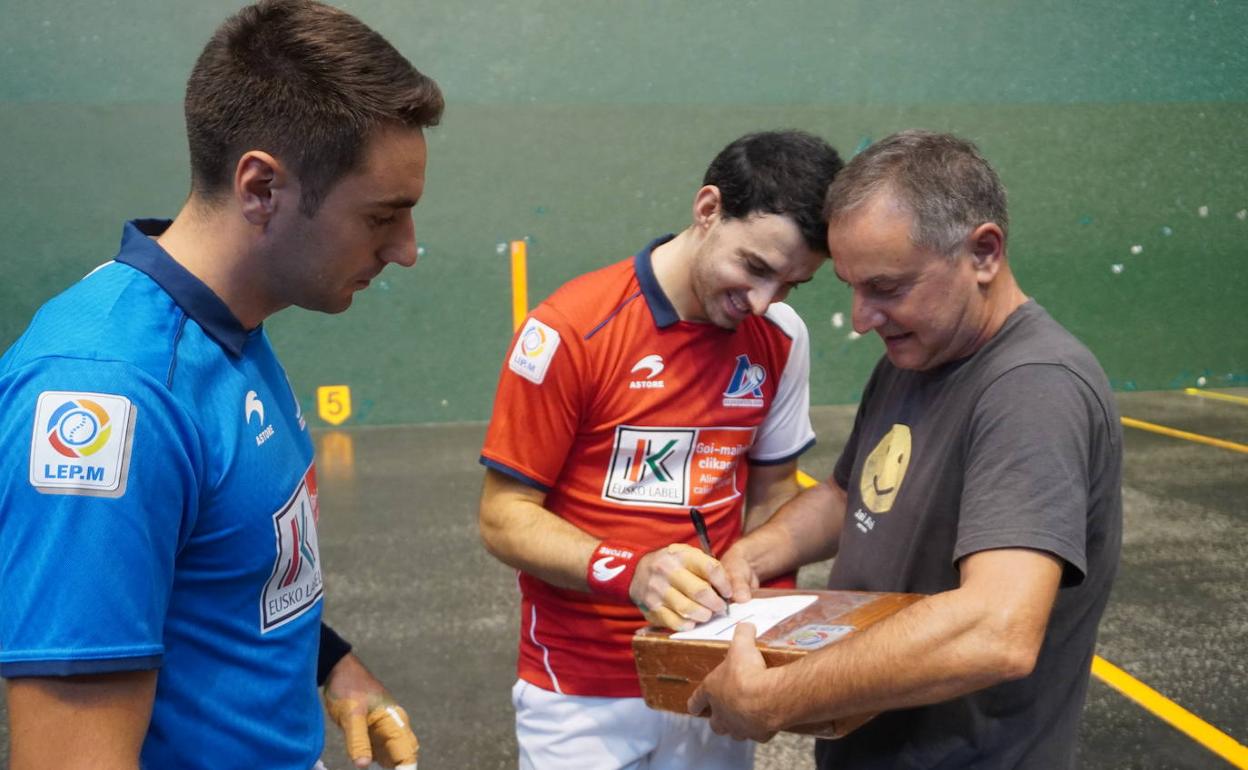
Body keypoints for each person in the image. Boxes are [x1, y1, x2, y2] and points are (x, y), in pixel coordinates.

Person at [0, 1, 443, 768]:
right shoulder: (112, 396)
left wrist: (333, 666)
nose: (405, 249)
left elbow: (216, 572)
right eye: (383, 216)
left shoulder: (224, 332)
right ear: (261, 188)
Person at [687, 130, 1123, 769]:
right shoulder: (918, 352)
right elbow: (847, 495)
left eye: (886, 288)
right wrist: (751, 554)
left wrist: (774, 697)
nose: (862, 318)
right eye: (851, 288)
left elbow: (996, 627)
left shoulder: (1033, 389)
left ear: (983, 253)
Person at [477, 130, 843, 769]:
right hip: (581, 692)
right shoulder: (570, 330)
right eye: (755, 268)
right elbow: (503, 517)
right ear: (708, 210)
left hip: (713, 673)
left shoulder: (781, 336)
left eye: (791, 285)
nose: (762, 302)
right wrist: (633, 570)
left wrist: (767, 640)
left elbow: (774, 497)